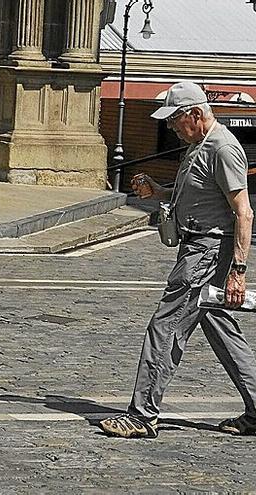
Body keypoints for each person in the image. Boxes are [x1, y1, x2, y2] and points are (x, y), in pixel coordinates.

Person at [99, 81, 256, 438]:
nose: (171, 127)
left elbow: (243, 213)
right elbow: (197, 192)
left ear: (196, 115)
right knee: (224, 333)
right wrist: (159, 191)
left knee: (164, 327)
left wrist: (238, 271)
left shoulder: (222, 148)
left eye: (175, 120)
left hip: (206, 253)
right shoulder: (198, 145)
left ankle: (142, 416)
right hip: (199, 248)